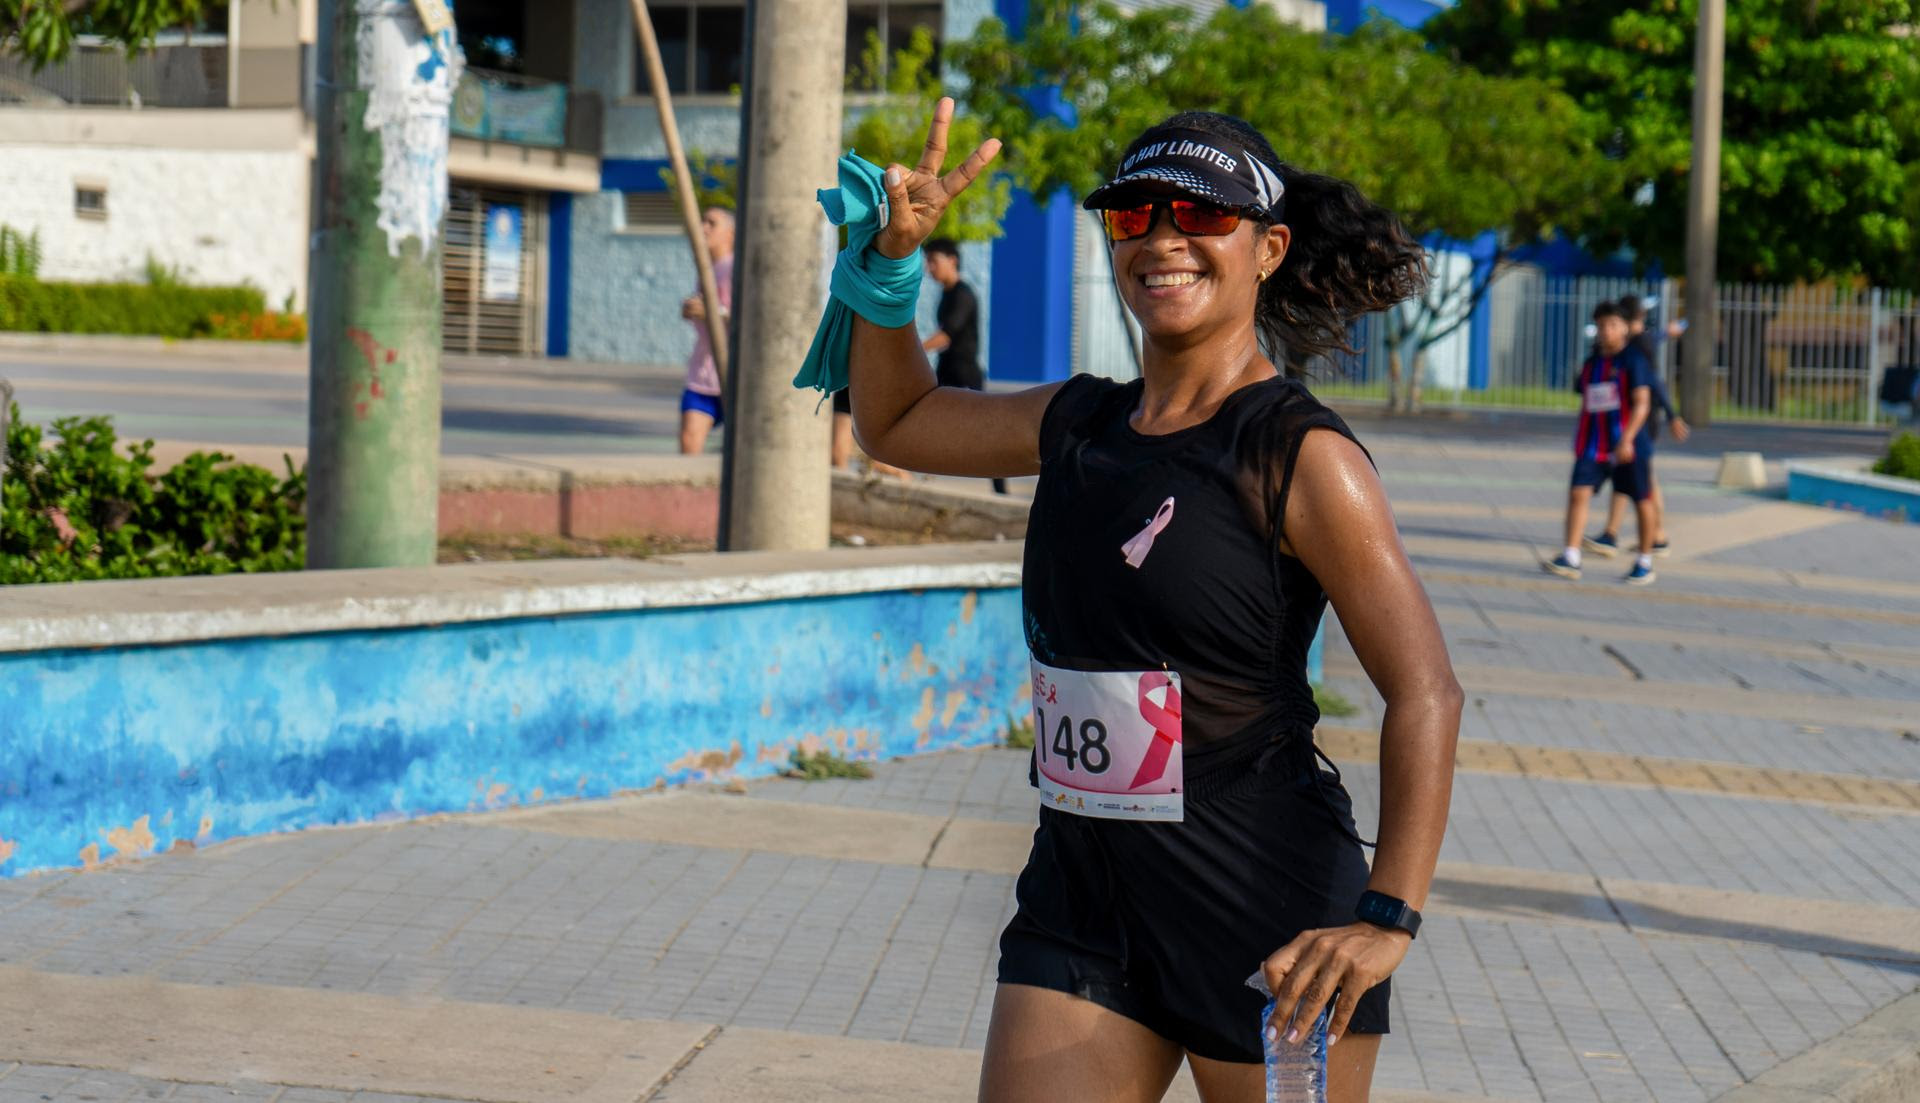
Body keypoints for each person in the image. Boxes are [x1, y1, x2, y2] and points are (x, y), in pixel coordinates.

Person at [842, 99, 1462, 1102]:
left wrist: (1388, 913)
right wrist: (888, 265)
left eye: (1200, 215)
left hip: (1266, 913)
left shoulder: (1301, 455)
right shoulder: (1077, 421)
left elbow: (1426, 689)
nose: (1164, 238)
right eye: (1135, 217)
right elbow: (899, 419)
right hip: (1084, 895)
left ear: (1267, 248)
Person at [1548, 301, 1659, 585]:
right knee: (1578, 494)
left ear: (1624, 327)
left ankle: (1645, 560)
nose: (1606, 331)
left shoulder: (1633, 361)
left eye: (1612, 325)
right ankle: (1571, 556)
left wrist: (1627, 438)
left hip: (1627, 445)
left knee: (1641, 500)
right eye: (1601, 326)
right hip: (1592, 443)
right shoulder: (1593, 362)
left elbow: (1642, 404)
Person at [1587, 293, 1688, 558]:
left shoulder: (1638, 344)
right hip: (1634, 419)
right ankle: (1648, 535)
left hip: (1641, 420)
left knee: (1642, 479)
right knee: (1636, 478)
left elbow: (1656, 381)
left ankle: (1645, 535)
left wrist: (1672, 415)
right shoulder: (1637, 341)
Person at [921, 237, 1006, 494]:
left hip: (965, 371)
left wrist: (915, 349)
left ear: (952, 261)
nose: (930, 268)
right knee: (927, 418)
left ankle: (1000, 489)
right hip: (947, 369)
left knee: (985, 432)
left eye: (934, 261)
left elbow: (947, 334)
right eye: (928, 262)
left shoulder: (963, 294)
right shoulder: (946, 294)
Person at [678, 207, 734, 455]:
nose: (704, 227)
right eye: (703, 221)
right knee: (689, 442)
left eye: (712, 223)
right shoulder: (708, 270)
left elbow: (751, 318)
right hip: (702, 376)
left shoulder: (735, 268)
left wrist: (712, 311)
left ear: (730, 234)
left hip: (733, 376)